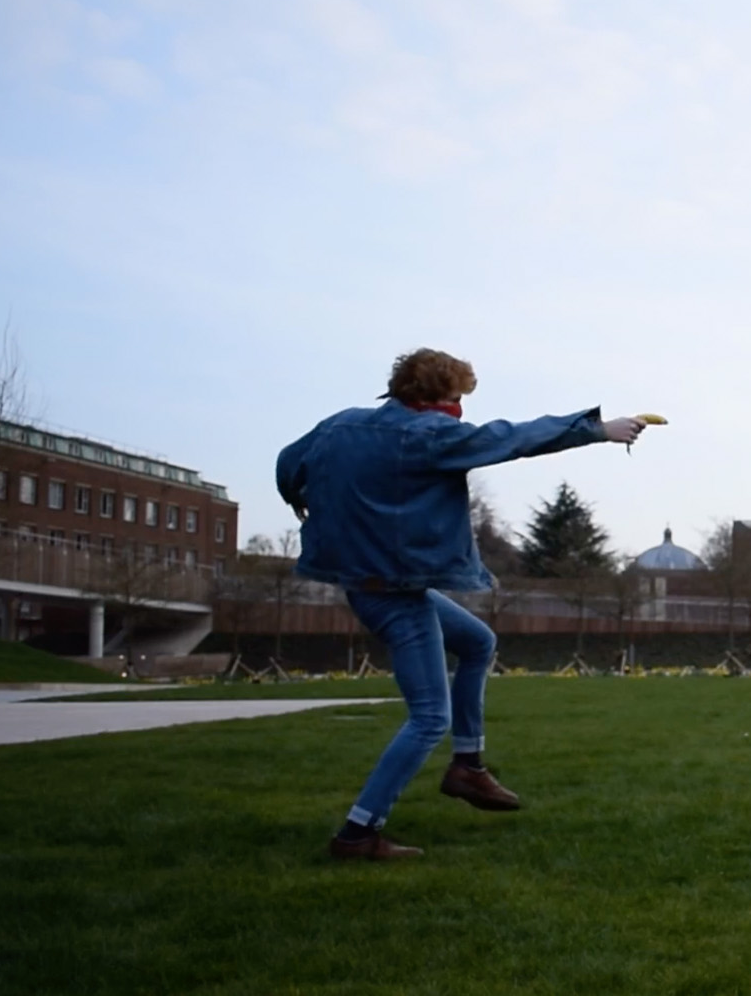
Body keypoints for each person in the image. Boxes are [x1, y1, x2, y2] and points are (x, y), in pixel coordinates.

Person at [276, 348, 648, 861]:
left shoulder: (340, 427)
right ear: (432, 398)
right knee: (429, 717)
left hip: (367, 579)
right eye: (456, 399)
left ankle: (467, 767)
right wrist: (599, 430)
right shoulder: (428, 434)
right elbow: (510, 439)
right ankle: (358, 834)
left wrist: (303, 500)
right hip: (394, 591)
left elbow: (287, 463)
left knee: (478, 641)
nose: (460, 410)